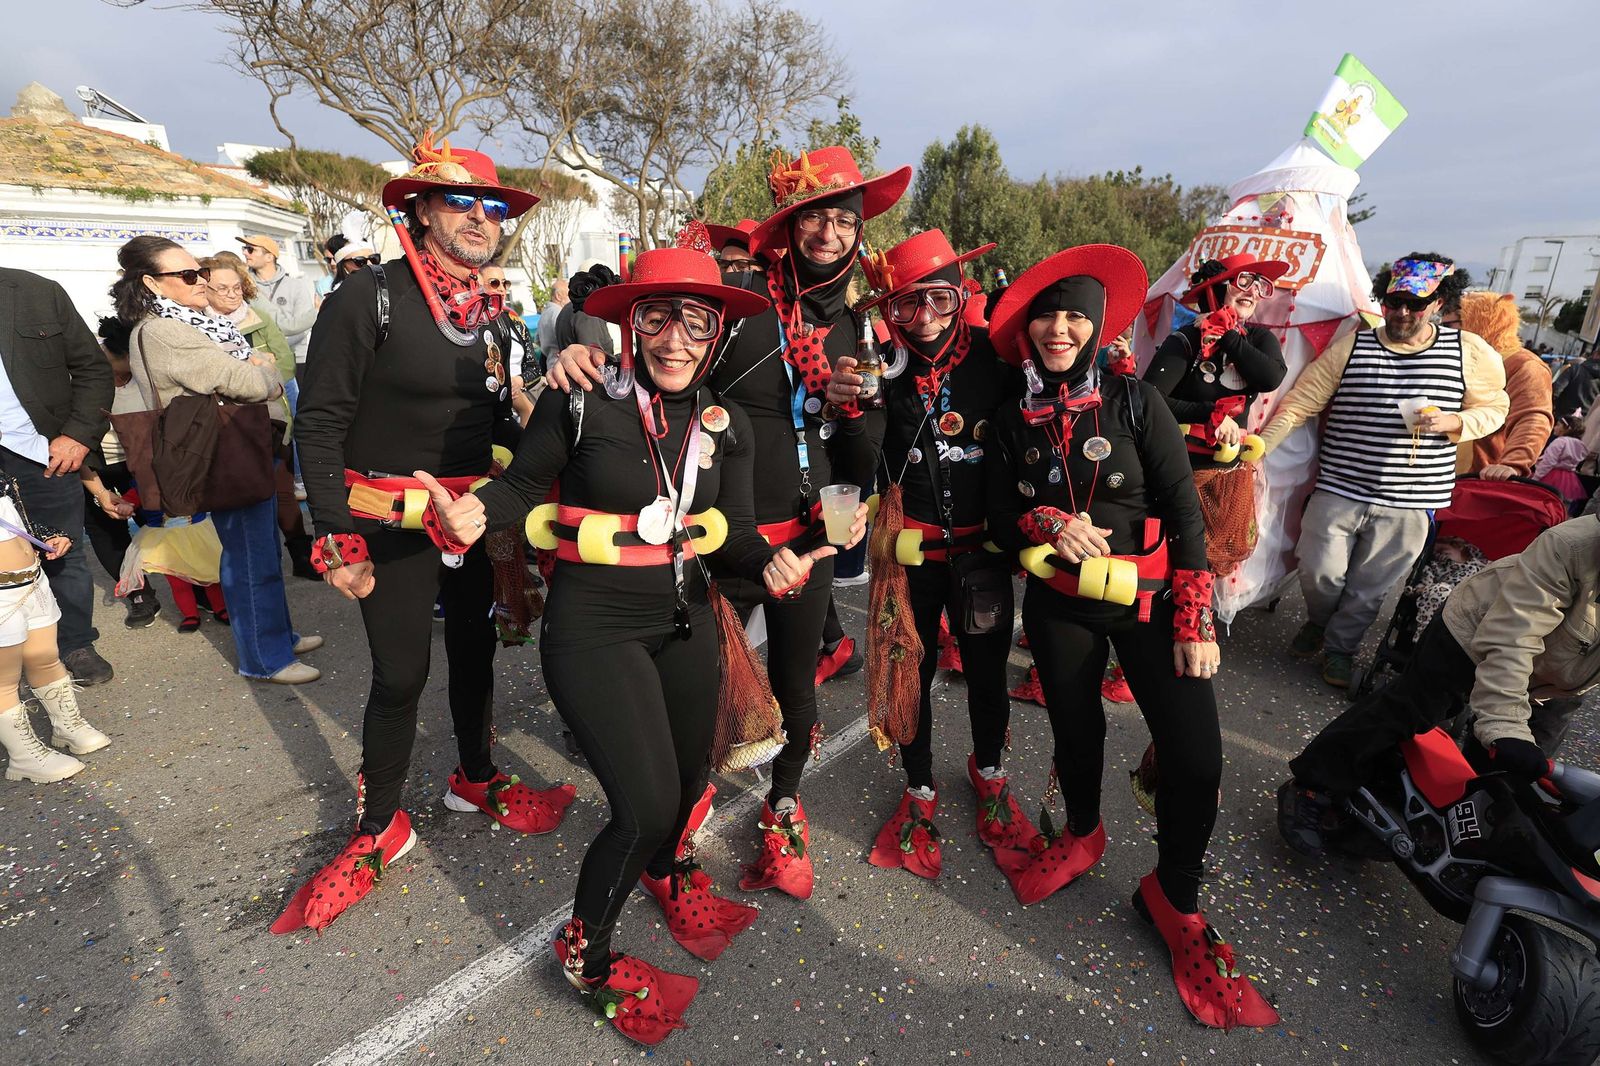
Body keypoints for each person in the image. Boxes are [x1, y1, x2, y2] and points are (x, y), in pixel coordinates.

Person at [427, 236, 864, 1044]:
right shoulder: (582, 399)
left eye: (695, 321)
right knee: (644, 808)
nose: (673, 339)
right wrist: (472, 512)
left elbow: (727, 535)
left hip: (688, 618)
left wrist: (769, 564)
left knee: (692, 772)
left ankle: (670, 868)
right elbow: (524, 485)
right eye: (656, 318)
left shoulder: (725, 422)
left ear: (716, 333)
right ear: (630, 323)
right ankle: (584, 951)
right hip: (596, 628)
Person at [549, 145, 904, 899]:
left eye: (843, 221)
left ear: (859, 232)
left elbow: (860, 459)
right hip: (715, 535)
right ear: (792, 225)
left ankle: (782, 805)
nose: (829, 235)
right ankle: (680, 796)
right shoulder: (743, 299)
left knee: (794, 685)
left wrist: (847, 411)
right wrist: (580, 354)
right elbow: (659, 364)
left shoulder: (861, 333)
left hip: (801, 543)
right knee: (701, 684)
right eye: (815, 219)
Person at [279, 136, 573, 935]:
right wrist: (333, 534)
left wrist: (565, 381)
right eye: (463, 202)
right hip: (389, 528)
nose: (484, 218)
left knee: (479, 654)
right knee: (401, 673)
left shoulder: (490, 308)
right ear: (421, 210)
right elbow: (321, 421)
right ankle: (380, 828)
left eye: (495, 207)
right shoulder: (368, 297)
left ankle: (474, 776)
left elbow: (494, 415)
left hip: (473, 524)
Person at [984, 244, 1278, 1031]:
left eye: (1076, 315)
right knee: (1075, 732)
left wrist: (1195, 620)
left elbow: (1185, 515)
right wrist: (1043, 521)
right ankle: (1082, 833)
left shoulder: (1135, 399)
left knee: (1195, 755)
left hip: (1152, 603)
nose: (1060, 328)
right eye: (1047, 314)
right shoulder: (1011, 420)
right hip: (1060, 606)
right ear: (1027, 327)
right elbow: (1000, 518)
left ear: (1096, 325)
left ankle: (1172, 895)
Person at [824, 229, 1035, 882]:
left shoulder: (996, 365)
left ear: (961, 296)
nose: (924, 318)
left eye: (939, 300)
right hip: (908, 559)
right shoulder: (882, 370)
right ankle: (918, 787)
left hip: (981, 556)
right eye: (907, 305)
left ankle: (989, 770)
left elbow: (1028, 444)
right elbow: (857, 460)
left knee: (988, 671)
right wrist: (853, 413)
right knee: (908, 672)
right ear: (890, 312)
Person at [1279, 514, 1600, 856]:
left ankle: (1446, 830)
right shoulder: (1569, 546)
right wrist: (1506, 725)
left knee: (1512, 774)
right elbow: (1512, 639)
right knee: (1411, 709)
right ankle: (1314, 786)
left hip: (1558, 679)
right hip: (1476, 631)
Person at [1261, 254, 1507, 688]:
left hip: (1412, 501)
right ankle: (1320, 621)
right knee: (1319, 572)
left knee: (1368, 589)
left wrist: (1456, 422)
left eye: (1416, 303)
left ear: (1439, 303)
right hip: (1341, 485)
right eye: (1394, 301)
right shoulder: (1355, 344)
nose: (1403, 312)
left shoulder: (1467, 351)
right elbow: (1303, 401)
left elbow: (1496, 407)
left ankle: (1340, 650)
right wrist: (1258, 448)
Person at [114, 236, 321, 684]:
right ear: (152, 282)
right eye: (188, 275)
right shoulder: (166, 330)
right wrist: (263, 370)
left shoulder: (188, 321)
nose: (201, 282)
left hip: (238, 445)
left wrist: (256, 367)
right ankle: (265, 658)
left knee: (260, 547)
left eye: (200, 272)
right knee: (249, 555)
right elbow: (242, 379)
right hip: (221, 451)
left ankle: (279, 637)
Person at [0, 267, 115, 686]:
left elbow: (93, 370)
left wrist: (77, 436)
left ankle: (76, 644)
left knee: (62, 555)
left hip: (43, 454)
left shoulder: (36, 292)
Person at [1143, 254, 1287, 575]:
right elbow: (1149, 396)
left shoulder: (1259, 340)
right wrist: (1209, 414)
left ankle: (1196, 619)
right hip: (1178, 468)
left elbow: (1271, 377)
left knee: (1211, 562)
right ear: (1216, 290)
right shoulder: (1186, 339)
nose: (1252, 291)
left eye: (1259, 285)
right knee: (1174, 561)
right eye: (1242, 282)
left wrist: (1228, 335)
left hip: (1228, 475)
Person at [200, 255, 317, 580]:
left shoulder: (259, 317)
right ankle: (262, 567)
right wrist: (253, 367)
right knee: (249, 498)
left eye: (236, 287)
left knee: (282, 488)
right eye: (221, 288)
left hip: (270, 418)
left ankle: (300, 553)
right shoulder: (195, 327)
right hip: (228, 427)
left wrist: (260, 374)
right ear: (205, 289)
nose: (231, 294)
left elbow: (285, 364)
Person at [0, 474, 110, 784]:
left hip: (31, 580)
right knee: (4, 679)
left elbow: (10, 513)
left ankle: (67, 726)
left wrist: (44, 534)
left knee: (46, 656)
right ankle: (23, 756)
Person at [79, 316, 160, 628]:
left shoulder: (147, 377)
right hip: (94, 465)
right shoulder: (79, 379)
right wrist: (100, 493)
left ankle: (198, 588)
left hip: (147, 465)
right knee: (105, 531)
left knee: (166, 525)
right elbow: (67, 441)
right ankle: (139, 593)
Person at [1451, 291, 1553, 480]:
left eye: (1450, 325)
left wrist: (1512, 464)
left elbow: (1532, 418)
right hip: (1431, 475)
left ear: (1476, 323)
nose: (1443, 331)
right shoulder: (1456, 357)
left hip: (1478, 480)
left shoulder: (1523, 365)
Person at [237, 234, 319, 364]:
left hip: (296, 357)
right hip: (261, 360)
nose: (245, 253)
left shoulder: (296, 285)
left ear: (269, 257)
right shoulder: (244, 286)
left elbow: (303, 325)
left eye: (251, 249)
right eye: (244, 248)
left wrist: (278, 348)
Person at [537, 278, 568, 365]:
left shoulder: (544, 314)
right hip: (561, 363)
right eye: (568, 294)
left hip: (549, 362)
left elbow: (537, 340)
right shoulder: (559, 313)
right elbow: (565, 339)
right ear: (558, 296)